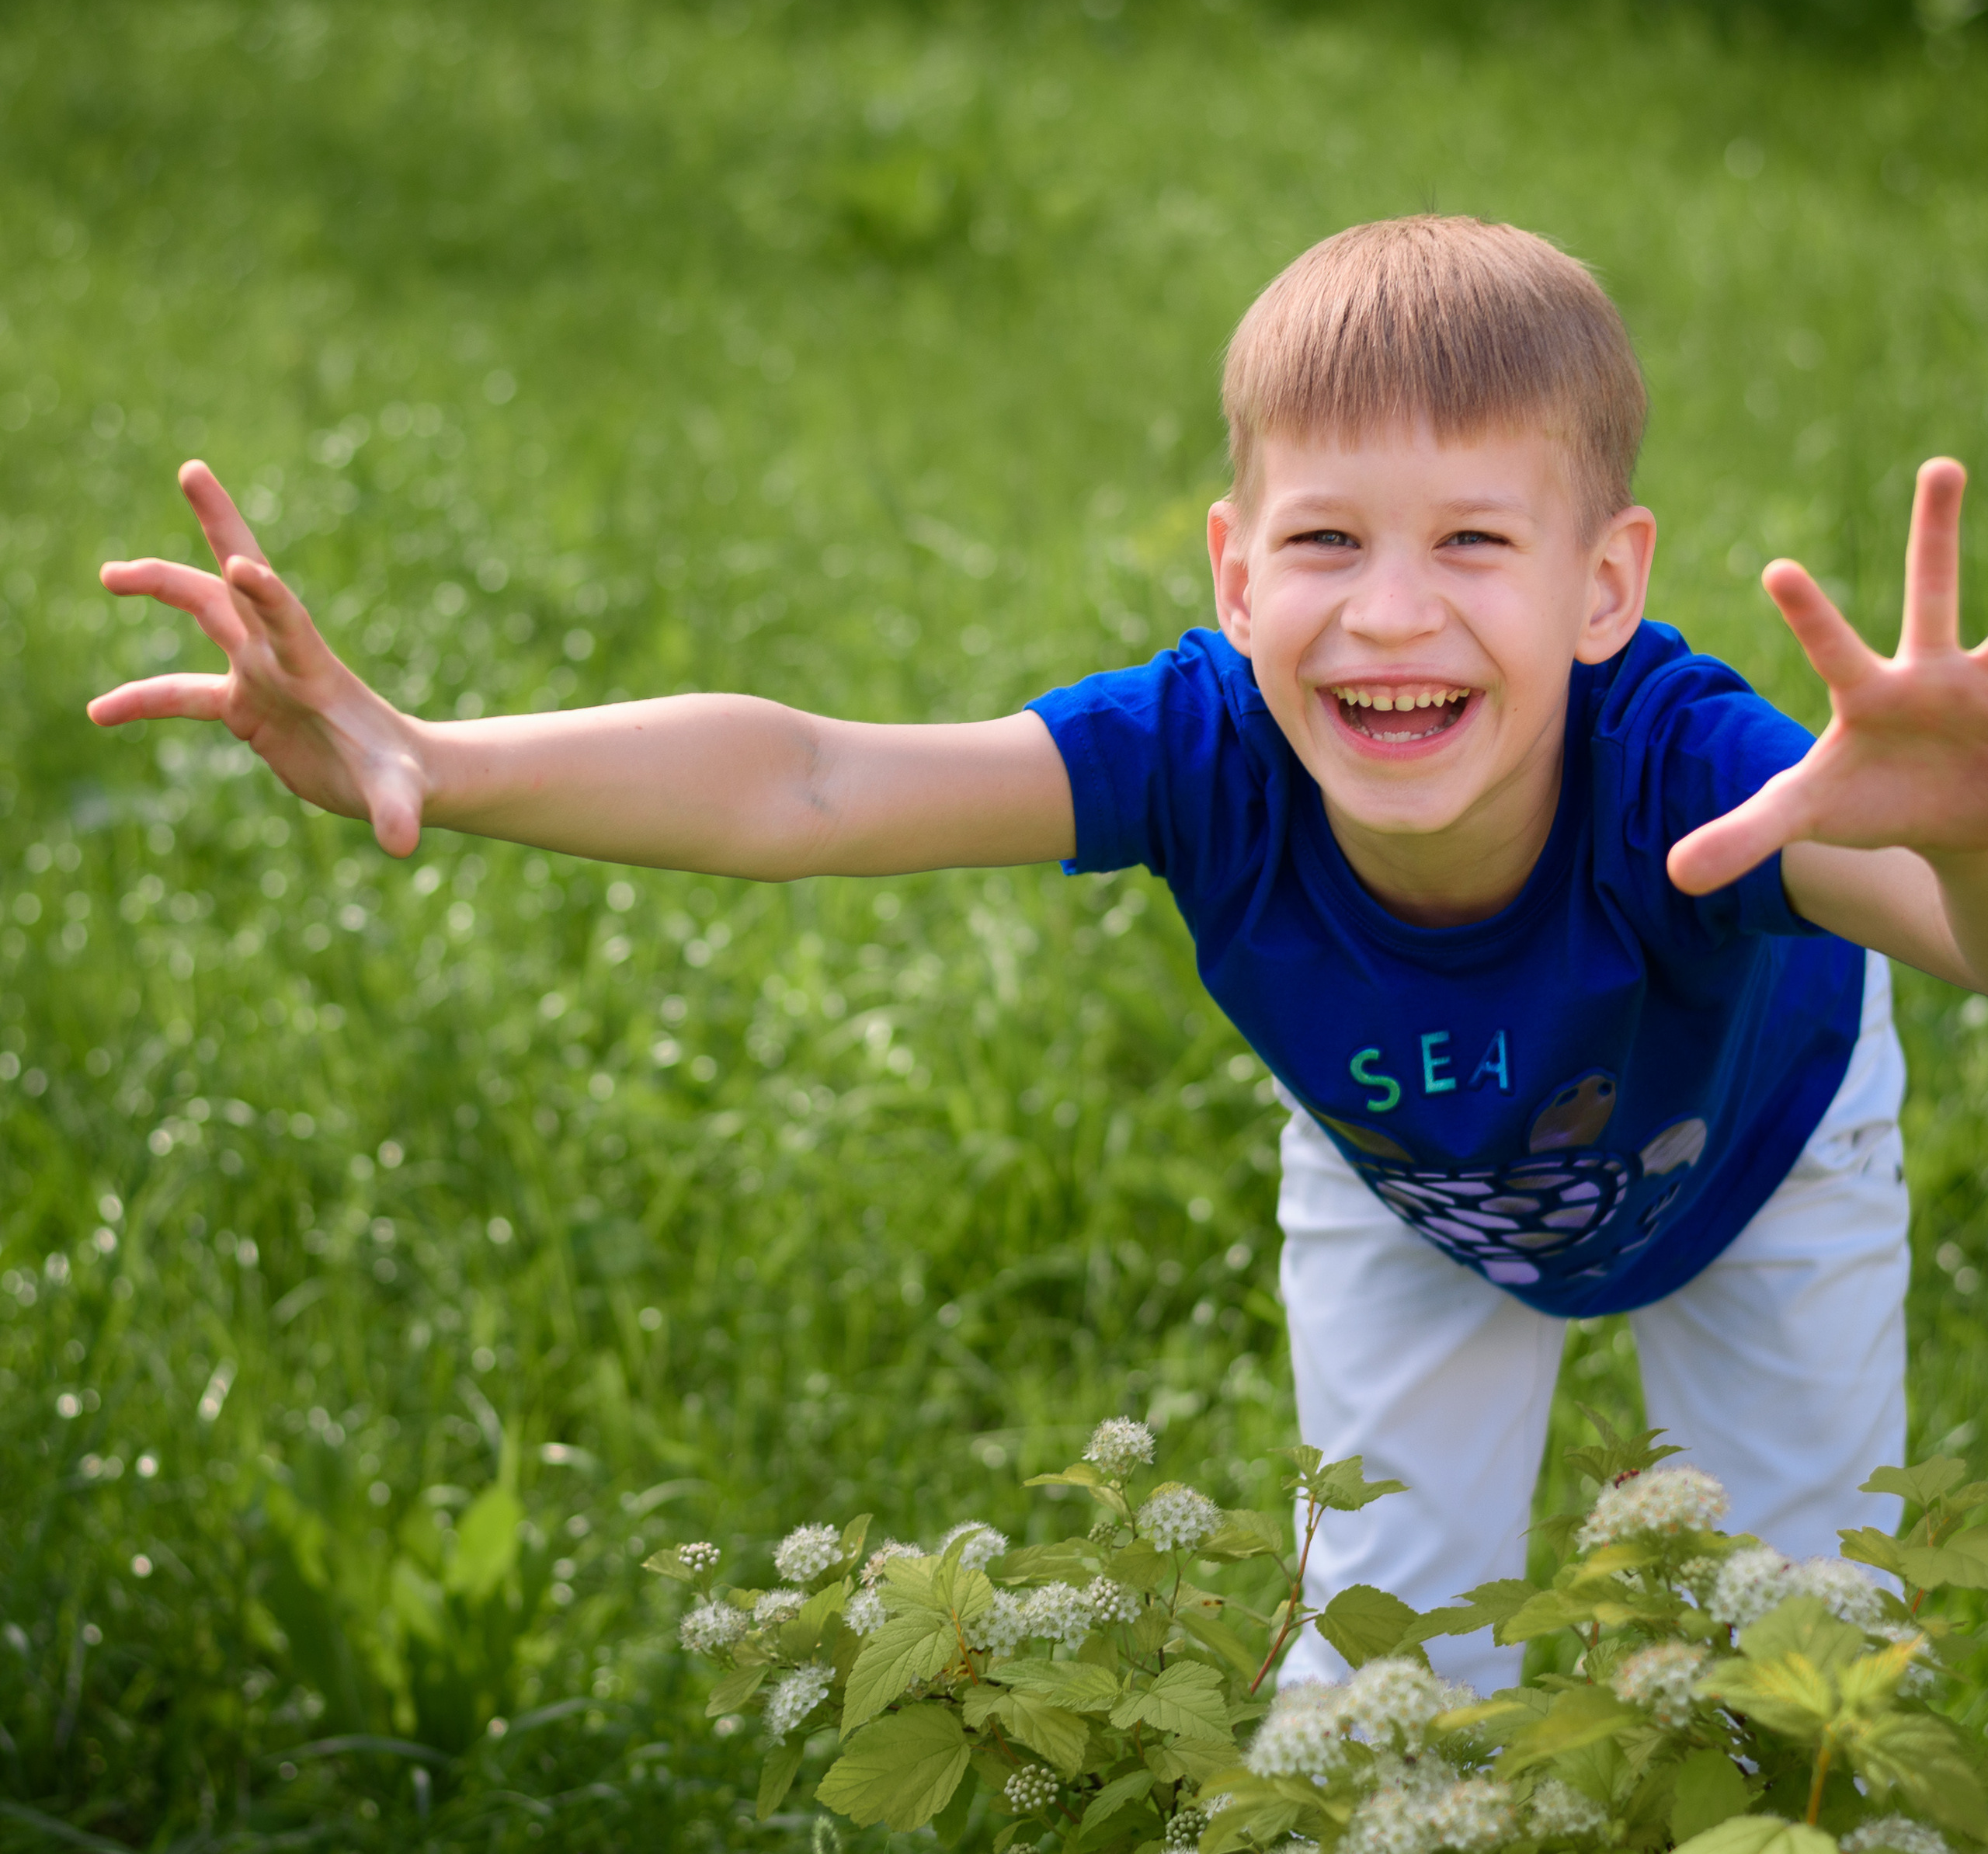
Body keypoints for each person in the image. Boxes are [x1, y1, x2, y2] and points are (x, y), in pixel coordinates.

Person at [89, 216, 1988, 1690]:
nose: (1387, 611)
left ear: (1605, 585)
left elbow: (1942, 938)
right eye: (1326, 539)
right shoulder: (1206, 747)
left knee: (1799, 1638)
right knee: (1382, 1671)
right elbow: (817, 784)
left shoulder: (1688, 762)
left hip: (1748, 1145)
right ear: (1235, 574)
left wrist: (1963, 828)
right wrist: (434, 753)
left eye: (1474, 539)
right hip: (1405, 1181)